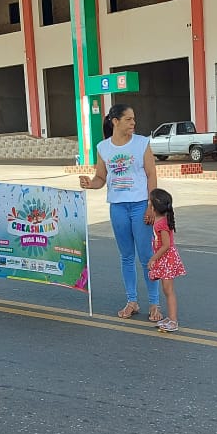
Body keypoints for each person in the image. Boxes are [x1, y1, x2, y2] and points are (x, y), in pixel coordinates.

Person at [79, 104, 163, 322]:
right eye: (128, 119)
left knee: (146, 257)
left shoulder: (142, 143)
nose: (133, 123)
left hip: (140, 206)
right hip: (117, 207)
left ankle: (155, 304)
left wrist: (151, 205)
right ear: (115, 121)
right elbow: (100, 178)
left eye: (134, 119)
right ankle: (132, 302)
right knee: (126, 257)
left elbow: (151, 175)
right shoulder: (103, 148)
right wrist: (90, 183)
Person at [146, 188, 186, 333]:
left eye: (150, 201)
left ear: (154, 206)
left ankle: (173, 320)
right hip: (164, 259)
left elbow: (166, 245)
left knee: (168, 290)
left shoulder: (162, 223)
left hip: (166, 258)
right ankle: (170, 318)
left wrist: (153, 258)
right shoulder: (159, 219)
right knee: (166, 289)